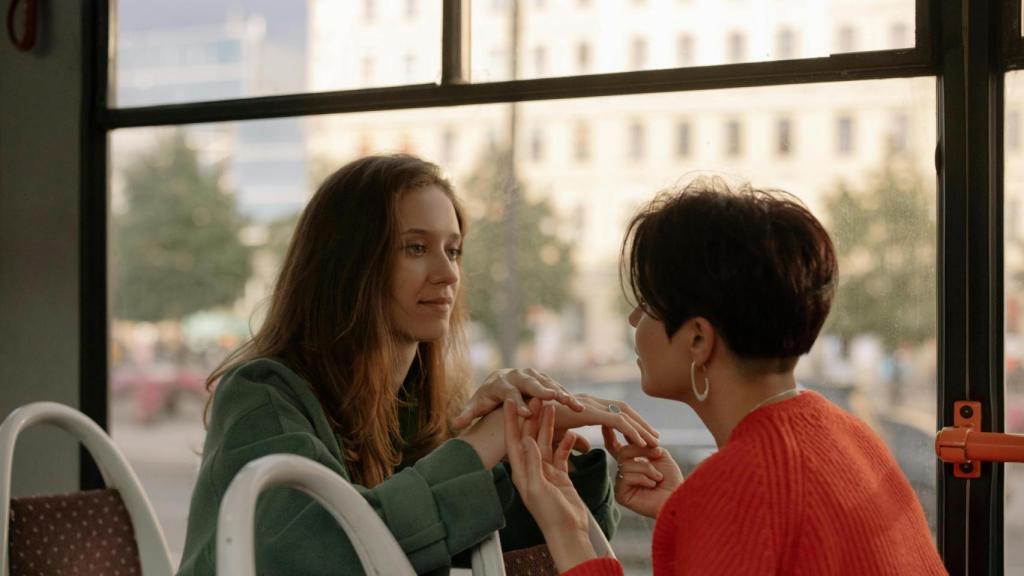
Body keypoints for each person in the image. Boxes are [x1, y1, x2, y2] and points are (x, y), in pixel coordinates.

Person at [175, 154, 659, 576]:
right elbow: (318, 554)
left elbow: (506, 549)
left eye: (453, 250)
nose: (448, 273)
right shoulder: (261, 394)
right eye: (416, 247)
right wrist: (482, 441)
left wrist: (541, 449)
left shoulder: (423, 404)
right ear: (349, 265)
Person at [503, 178, 948, 575]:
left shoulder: (737, 488)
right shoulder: (852, 435)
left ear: (698, 340)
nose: (634, 320)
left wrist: (566, 527)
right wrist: (688, 512)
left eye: (648, 305)